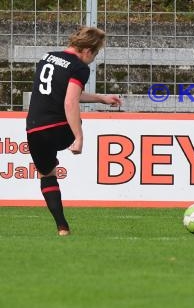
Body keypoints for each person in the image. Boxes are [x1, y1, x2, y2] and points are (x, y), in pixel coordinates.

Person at [26, 26, 122, 236]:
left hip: (34, 128)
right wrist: (78, 137)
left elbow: (63, 92)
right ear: (87, 51)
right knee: (74, 119)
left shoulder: (47, 57)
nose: (93, 59)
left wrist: (101, 98)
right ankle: (73, 136)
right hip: (59, 130)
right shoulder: (79, 67)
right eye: (95, 54)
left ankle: (62, 227)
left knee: (46, 174)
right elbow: (70, 101)